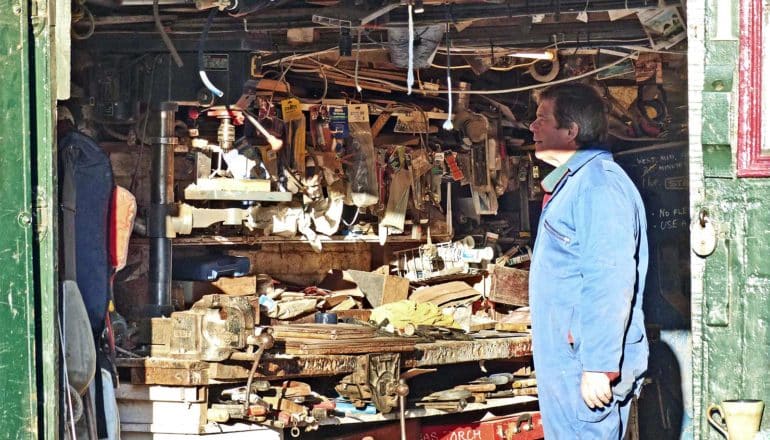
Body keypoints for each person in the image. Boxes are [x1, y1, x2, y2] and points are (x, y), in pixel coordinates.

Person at [528, 82, 649, 439]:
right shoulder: (575, 184)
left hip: (583, 363)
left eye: (542, 119)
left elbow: (609, 278)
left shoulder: (598, 186)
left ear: (571, 131)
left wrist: (598, 365)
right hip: (568, 361)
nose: (532, 127)